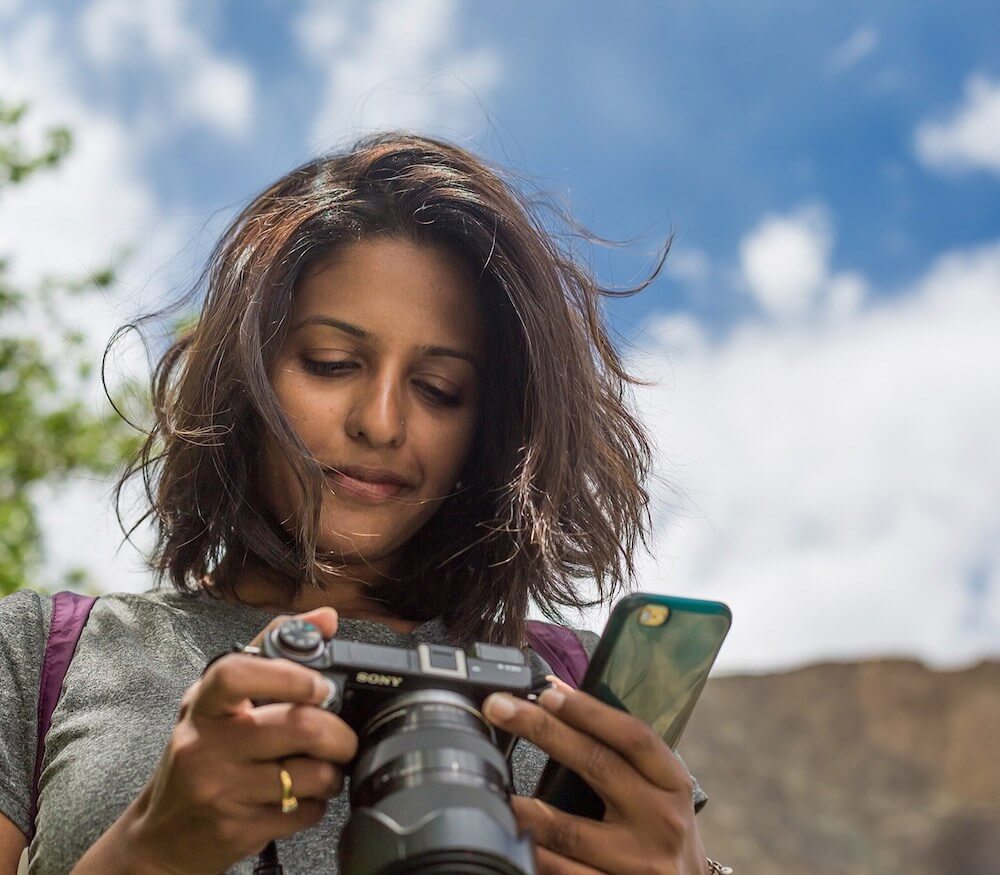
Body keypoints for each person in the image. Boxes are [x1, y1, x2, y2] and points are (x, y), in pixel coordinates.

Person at [0, 133, 717, 874]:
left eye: (439, 388)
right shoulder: (42, 655)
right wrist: (149, 847)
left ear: (487, 428)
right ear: (245, 375)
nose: (380, 422)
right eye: (332, 363)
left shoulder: (574, 688)